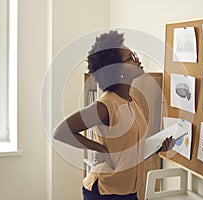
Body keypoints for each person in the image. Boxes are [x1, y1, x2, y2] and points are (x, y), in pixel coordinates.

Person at [53, 30, 176, 200]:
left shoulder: (133, 102)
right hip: (105, 192)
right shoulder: (105, 105)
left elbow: (129, 148)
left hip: (129, 190)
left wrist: (157, 148)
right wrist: (100, 148)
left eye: (134, 55)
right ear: (117, 70)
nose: (137, 59)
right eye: (130, 58)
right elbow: (61, 132)